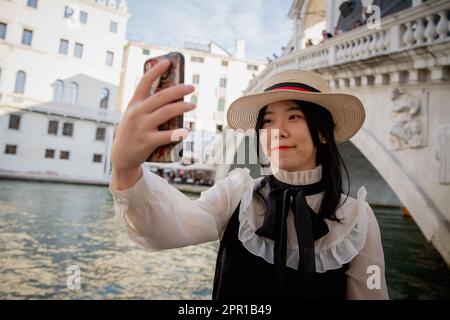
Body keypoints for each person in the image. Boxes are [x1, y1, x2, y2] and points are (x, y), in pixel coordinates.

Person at [109, 60, 389, 300]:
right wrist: (126, 169)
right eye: (267, 122)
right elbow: (167, 227)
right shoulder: (237, 194)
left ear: (323, 134)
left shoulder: (356, 216)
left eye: (293, 116)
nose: (277, 131)